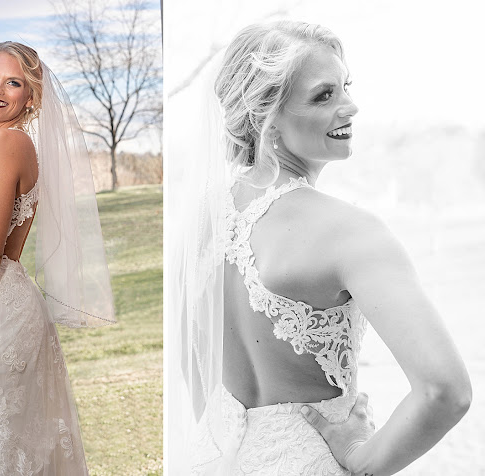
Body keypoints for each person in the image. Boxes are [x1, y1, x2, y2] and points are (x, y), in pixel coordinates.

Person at [169, 21, 471, 475]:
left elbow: (195, 379)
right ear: (265, 115)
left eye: (345, 86)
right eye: (323, 95)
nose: (351, 106)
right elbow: (446, 391)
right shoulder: (349, 232)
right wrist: (361, 458)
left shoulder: (195, 224)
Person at [0, 41, 115, 475]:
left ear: (32, 96)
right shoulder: (22, 147)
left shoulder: (0, 144)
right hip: (7, 307)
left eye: (13, 82)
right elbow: (12, 251)